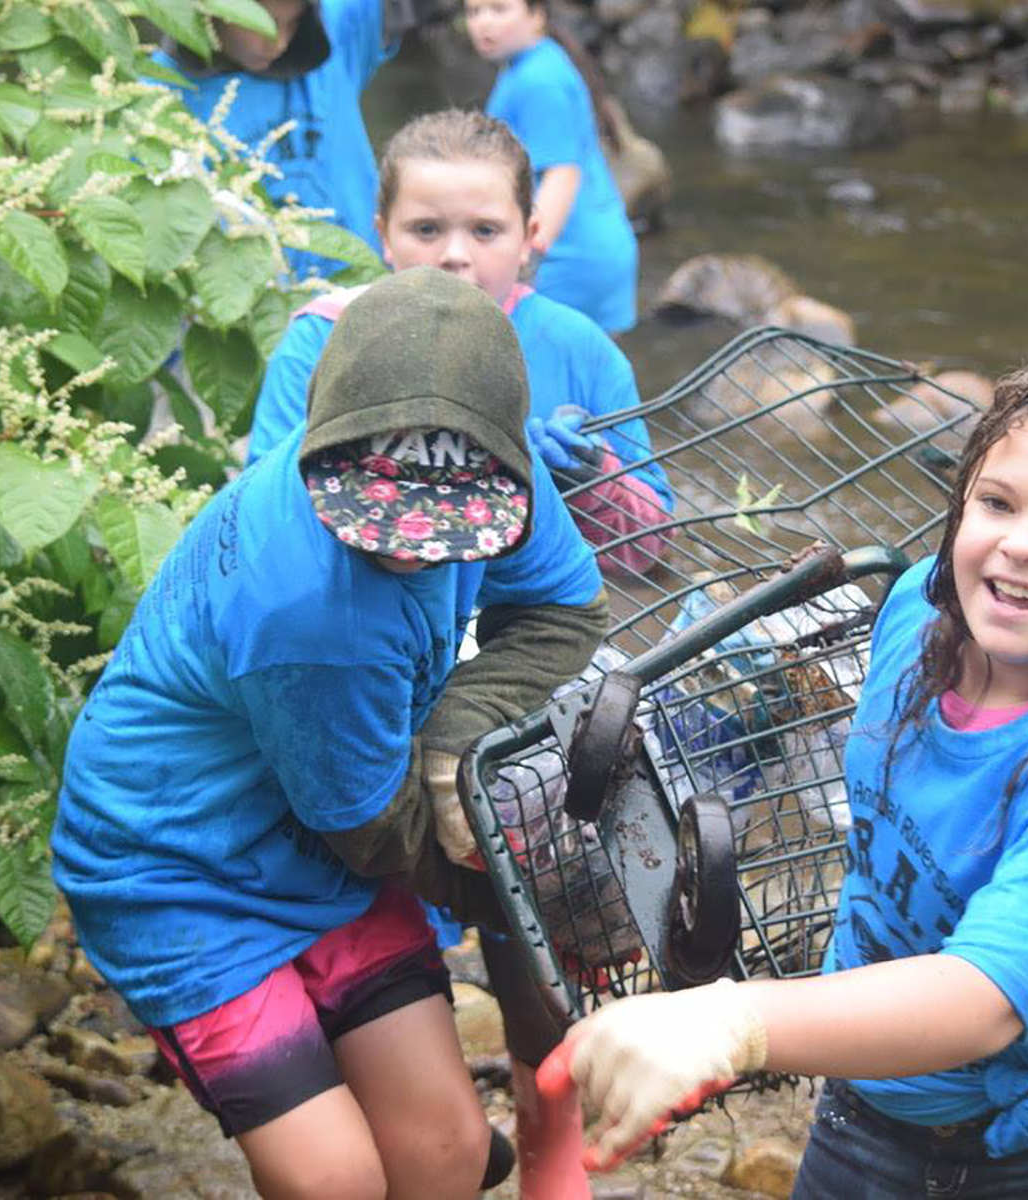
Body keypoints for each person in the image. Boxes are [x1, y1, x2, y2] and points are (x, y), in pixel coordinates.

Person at [547, 353, 1028, 1197]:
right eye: (997, 503)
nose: (1021, 546)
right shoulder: (919, 606)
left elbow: (979, 998)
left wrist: (733, 1022)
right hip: (878, 1089)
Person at [52, 269, 609, 1199]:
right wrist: (548, 896)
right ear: (321, 442)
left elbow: (564, 608)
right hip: (172, 865)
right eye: (380, 511)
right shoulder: (308, 611)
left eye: (449, 524)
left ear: (504, 458)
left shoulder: (494, 471)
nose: (412, 545)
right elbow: (375, 834)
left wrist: (453, 734)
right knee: (334, 1180)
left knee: (447, 1152)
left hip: (318, 847)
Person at [247, 109, 673, 578]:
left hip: (520, 617)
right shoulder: (320, 342)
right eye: (426, 230)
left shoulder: (581, 350)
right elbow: (264, 523)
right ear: (384, 235)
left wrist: (592, 482)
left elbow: (649, 552)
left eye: (485, 231)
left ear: (530, 236)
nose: (454, 256)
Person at [157, 0, 413, 279]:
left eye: (292, 23)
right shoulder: (158, 97)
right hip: (257, 308)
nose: (278, 42)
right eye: (263, 23)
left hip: (360, 295)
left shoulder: (332, 39)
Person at [465, 0, 639, 333]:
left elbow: (562, 175)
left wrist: (523, 259)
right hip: (594, 246)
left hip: (570, 258)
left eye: (499, 9)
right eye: (474, 12)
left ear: (536, 15)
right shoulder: (533, 64)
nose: (483, 23)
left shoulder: (537, 80)